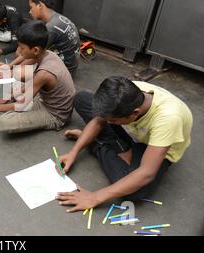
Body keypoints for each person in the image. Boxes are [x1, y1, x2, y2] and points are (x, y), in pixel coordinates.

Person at [56, 77, 193, 212]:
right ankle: (111, 143)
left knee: (135, 191)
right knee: (82, 98)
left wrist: (95, 197)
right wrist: (73, 153)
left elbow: (147, 173)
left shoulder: (168, 119)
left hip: (156, 149)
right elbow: (100, 121)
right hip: (138, 134)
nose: (109, 123)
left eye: (114, 121)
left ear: (135, 113)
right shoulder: (132, 89)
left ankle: (97, 144)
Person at [0, 20, 75, 133]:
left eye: (22, 48)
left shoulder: (44, 73)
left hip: (55, 114)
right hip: (47, 99)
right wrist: (9, 96)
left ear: (35, 50)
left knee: (4, 121)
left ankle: (44, 118)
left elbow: (22, 104)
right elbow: (31, 83)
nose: (18, 51)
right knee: (18, 84)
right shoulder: (47, 54)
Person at [7, 0, 80, 76]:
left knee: (23, 56)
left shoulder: (51, 28)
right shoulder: (58, 18)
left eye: (31, 7)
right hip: (69, 65)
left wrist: (13, 70)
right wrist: (10, 65)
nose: (30, 12)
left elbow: (34, 55)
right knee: (22, 52)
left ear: (40, 5)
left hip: (65, 72)